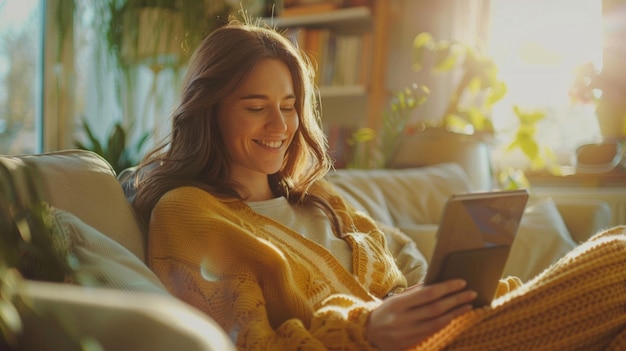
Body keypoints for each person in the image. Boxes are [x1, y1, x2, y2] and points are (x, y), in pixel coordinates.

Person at [131, 19, 626, 350]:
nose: (279, 126)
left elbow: (401, 276)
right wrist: (368, 331)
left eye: (287, 107)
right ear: (207, 110)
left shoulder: (318, 198)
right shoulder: (189, 213)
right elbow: (248, 342)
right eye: (256, 107)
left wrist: (433, 300)